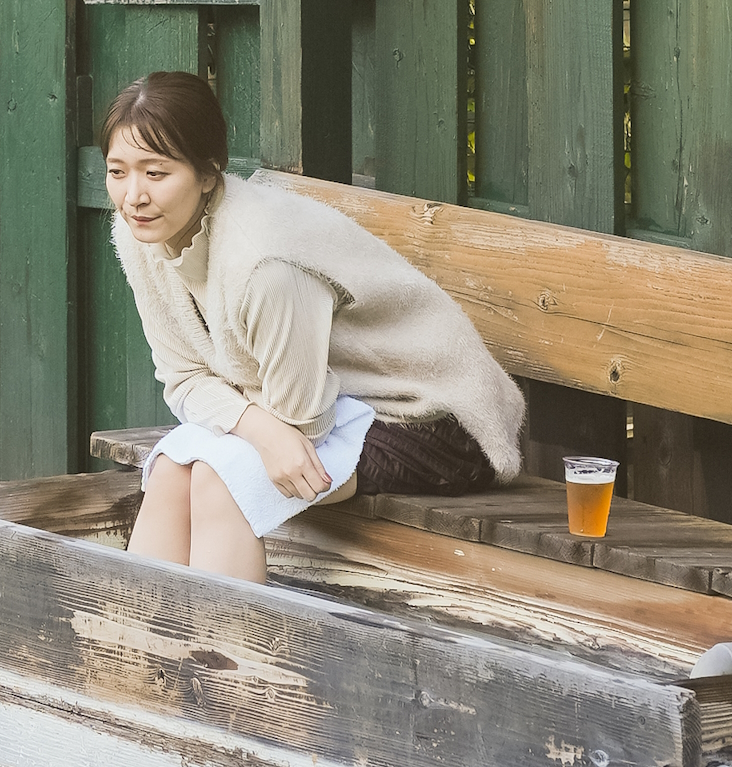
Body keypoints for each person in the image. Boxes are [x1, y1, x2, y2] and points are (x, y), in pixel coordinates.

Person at [104, 71, 526, 583]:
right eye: (118, 171)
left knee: (221, 480)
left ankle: (226, 659)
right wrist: (255, 427)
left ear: (208, 174)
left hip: (432, 420)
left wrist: (256, 427)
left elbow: (300, 424)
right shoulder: (141, 237)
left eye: (155, 172)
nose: (133, 196)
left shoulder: (264, 264)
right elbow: (184, 376)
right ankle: (150, 654)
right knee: (171, 470)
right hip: (324, 408)